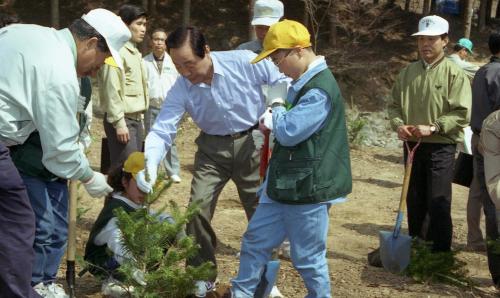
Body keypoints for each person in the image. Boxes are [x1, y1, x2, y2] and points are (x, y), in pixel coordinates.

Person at [137, 26, 286, 296]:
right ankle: (202, 276)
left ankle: (265, 280)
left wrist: (276, 108)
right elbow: (163, 128)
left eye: (189, 64)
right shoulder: (182, 86)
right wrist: (150, 161)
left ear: (206, 50)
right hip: (211, 149)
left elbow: (278, 78)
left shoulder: (242, 61)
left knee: (261, 211)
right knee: (197, 208)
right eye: (178, 66)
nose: (185, 72)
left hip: (252, 141)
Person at [0, 8, 130, 298]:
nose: (98, 69)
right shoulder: (59, 72)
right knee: (19, 224)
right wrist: (88, 176)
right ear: (91, 42)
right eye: (103, 58)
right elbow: (59, 150)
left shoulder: (31, 34)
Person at [229, 19, 352, 298]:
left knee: (308, 258)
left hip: (308, 189)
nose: (275, 66)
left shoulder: (319, 89)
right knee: (254, 243)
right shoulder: (302, 83)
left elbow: (288, 133)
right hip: (284, 186)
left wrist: (275, 106)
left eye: (277, 58)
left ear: (298, 50)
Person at [388, 15, 471, 252]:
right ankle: (416, 247)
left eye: (432, 39)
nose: (425, 43)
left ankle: (440, 255)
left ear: (445, 41)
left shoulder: (454, 74)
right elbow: (393, 104)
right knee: (414, 199)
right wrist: (398, 124)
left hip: (440, 146)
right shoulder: (408, 72)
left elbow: (462, 113)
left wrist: (435, 126)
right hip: (412, 145)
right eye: (422, 38)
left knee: (438, 201)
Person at [84, 151, 178, 297]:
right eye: (139, 185)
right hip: (104, 260)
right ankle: (116, 281)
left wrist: (174, 227)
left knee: (165, 229)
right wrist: (133, 270)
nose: (144, 192)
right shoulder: (116, 211)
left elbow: (156, 217)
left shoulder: (135, 202)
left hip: (131, 257)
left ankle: (144, 275)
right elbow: (117, 243)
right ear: (124, 181)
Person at [99, 4, 149, 171]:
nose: (143, 29)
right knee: (124, 172)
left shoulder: (134, 51)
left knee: (134, 170)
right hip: (122, 119)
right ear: (125, 25)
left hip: (135, 119)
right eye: (139, 24)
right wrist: (119, 123)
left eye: (145, 24)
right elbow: (111, 89)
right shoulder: (116, 52)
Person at [143, 28, 182, 183]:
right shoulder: (143, 61)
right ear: (151, 42)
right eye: (156, 39)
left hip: (169, 107)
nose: (159, 43)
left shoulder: (174, 62)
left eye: (162, 40)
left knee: (170, 138)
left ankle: (172, 171)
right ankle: (152, 169)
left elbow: (180, 83)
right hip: (150, 106)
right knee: (151, 139)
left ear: (166, 44)